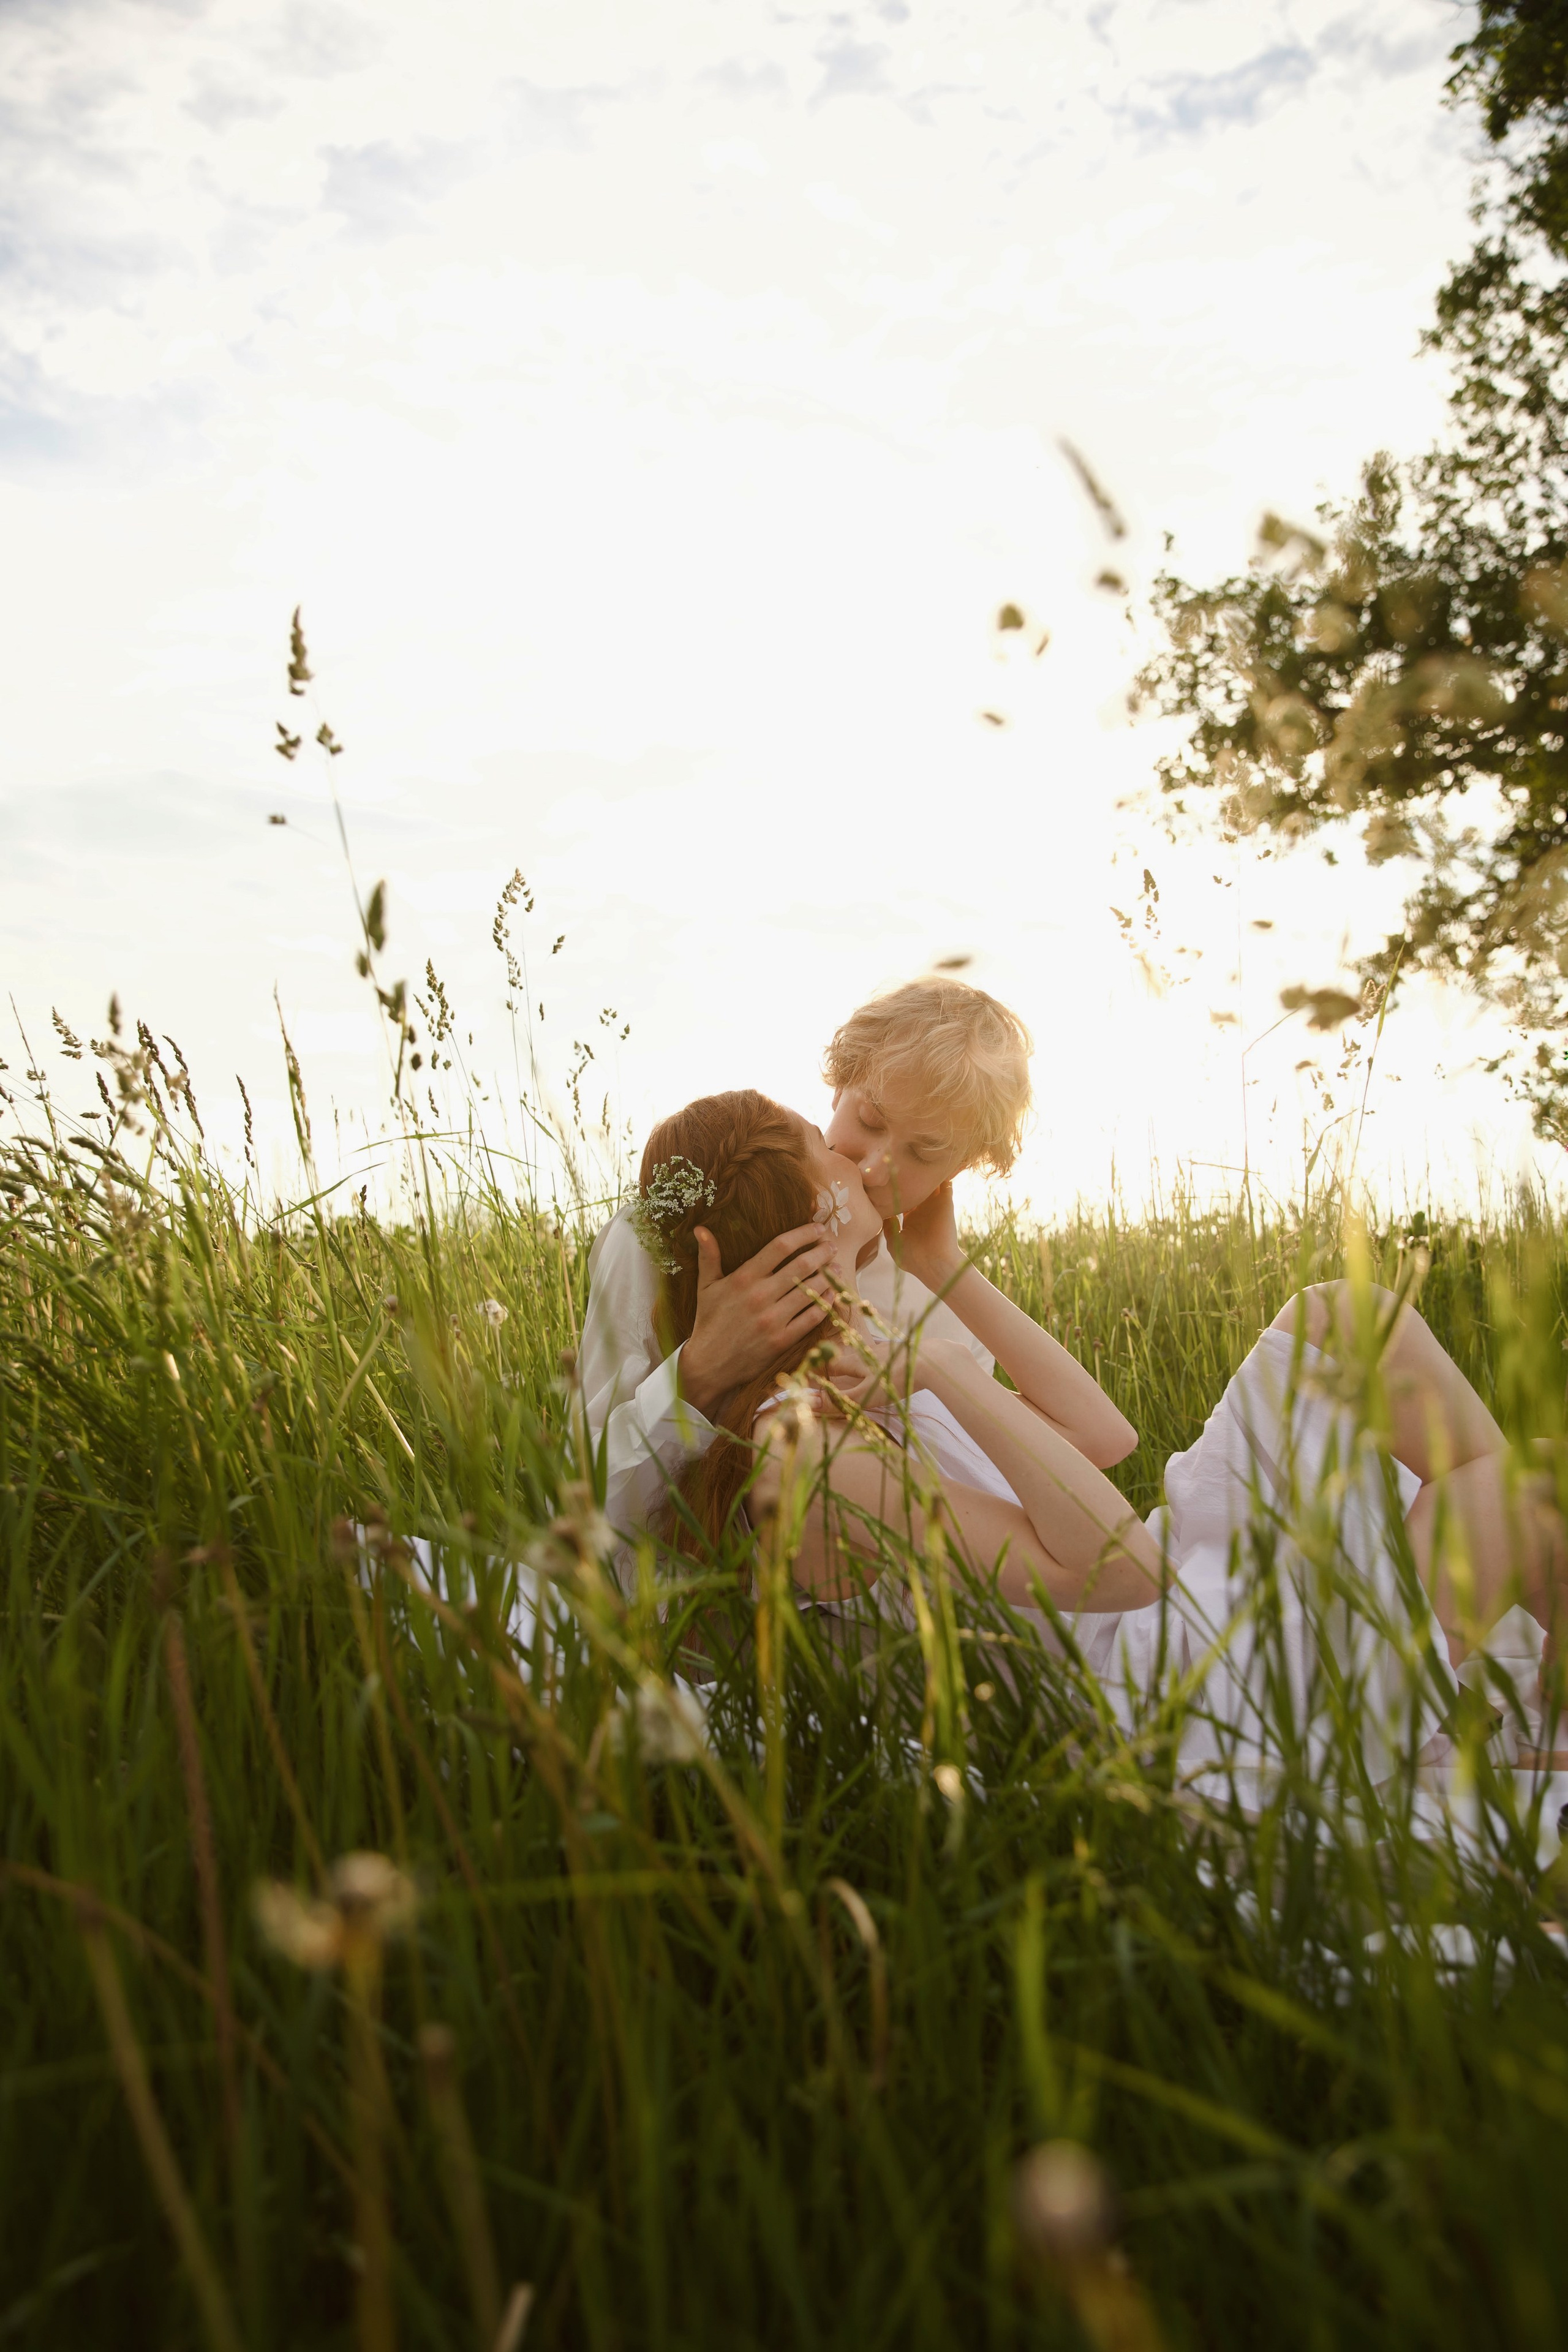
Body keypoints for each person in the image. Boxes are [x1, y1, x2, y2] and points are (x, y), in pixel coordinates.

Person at [626, 1087, 1564, 1796]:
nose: (846, 1151)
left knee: (1348, 1319)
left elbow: (1101, 1435)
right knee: (1528, 1493)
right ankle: (1425, 1708)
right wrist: (946, 1372)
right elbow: (1125, 1569)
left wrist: (942, 1269)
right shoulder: (816, 1451)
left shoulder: (858, 1367)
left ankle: (1478, 1673)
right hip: (1157, 1687)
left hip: (1146, 1616)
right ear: (802, 1222)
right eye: (819, 1148)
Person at [580, 977, 1035, 1557]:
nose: (874, 1167)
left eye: (925, 1152)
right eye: (868, 1119)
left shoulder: (937, 1296)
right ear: (839, 1084)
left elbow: (979, 1493)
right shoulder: (661, 1234)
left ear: (965, 1165)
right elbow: (586, 1496)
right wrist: (696, 1376)